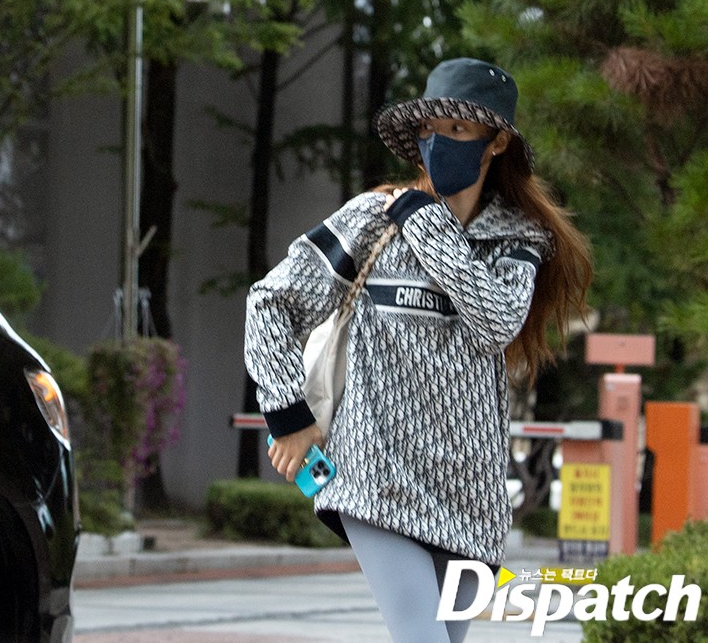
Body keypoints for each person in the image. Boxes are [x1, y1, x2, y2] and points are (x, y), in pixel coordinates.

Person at [243, 57, 592, 642]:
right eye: (430, 128)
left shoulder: (518, 238)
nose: (438, 142)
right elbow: (270, 301)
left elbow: (496, 322)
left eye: (458, 129)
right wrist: (288, 416)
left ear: (496, 142)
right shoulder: (373, 219)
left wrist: (429, 226)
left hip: (469, 495)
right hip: (375, 475)